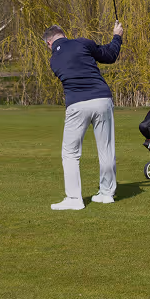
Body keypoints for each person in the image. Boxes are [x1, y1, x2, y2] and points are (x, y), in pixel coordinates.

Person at [44, 21, 124, 210]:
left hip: (77, 104)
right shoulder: (82, 43)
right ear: (63, 34)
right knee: (106, 149)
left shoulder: (53, 60)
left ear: (49, 43)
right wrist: (117, 36)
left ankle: (74, 199)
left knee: (70, 153)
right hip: (102, 99)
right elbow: (110, 55)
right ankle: (106, 194)